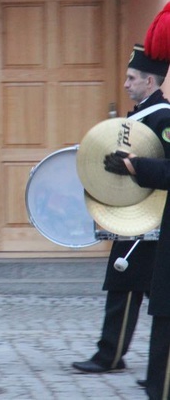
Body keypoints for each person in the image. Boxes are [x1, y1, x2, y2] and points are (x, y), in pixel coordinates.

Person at [73, 44, 170, 379]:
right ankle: (114, 355)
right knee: (127, 283)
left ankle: (117, 357)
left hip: (153, 218)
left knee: (133, 285)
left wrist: (133, 166)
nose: (126, 83)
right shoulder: (141, 114)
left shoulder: (164, 117)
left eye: (132, 78)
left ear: (150, 80)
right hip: (135, 216)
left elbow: (165, 168)